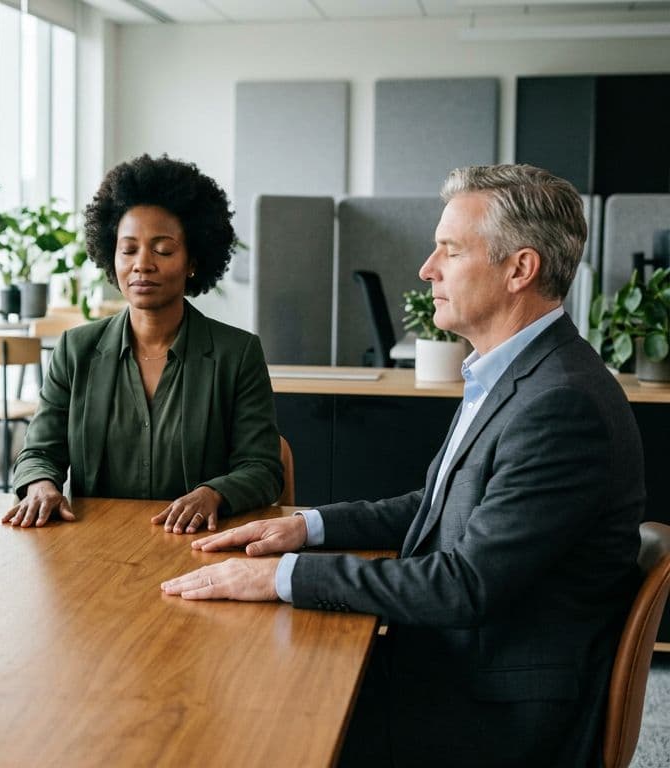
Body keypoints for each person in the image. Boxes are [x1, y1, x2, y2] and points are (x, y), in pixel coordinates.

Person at [162, 164, 644, 766]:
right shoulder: (518, 373)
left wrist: (281, 577)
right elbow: (436, 506)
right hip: (456, 668)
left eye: (450, 250)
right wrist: (307, 527)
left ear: (520, 269)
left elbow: (465, 584)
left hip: (491, 714)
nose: (426, 269)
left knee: (244, 720)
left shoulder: (560, 403)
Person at [4, 154, 283, 533]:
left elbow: (263, 468)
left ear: (192, 261)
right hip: (94, 545)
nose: (142, 264)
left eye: (163, 250)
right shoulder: (75, 350)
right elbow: (39, 452)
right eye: (128, 249)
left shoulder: (237, 354)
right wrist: (40, 485)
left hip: (197, 543)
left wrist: (214, 494)